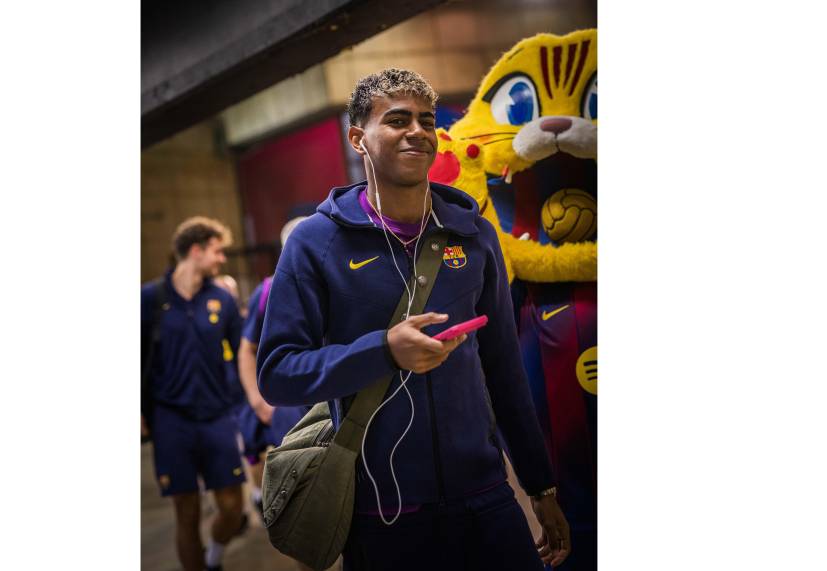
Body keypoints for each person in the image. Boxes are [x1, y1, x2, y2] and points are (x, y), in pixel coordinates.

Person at [256, 69, 572, 570]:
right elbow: (278, 372)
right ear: (358, 138)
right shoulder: (316, 243)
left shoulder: (473, 235)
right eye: (397, 120)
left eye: (426, 120)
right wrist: (383, 351)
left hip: (486, 496)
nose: (417, 132)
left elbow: (504, 370)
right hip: (383, 512)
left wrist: (540, 484)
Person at [142, 216, 246, 571]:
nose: (222, 259)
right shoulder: (149, 299)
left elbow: (244, 352)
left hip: (217, 415)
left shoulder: (222, 299)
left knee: (232, 507)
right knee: (186, 511)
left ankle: (213, 557)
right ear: (196, 250)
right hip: (170, 419)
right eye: (217, 251)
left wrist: (253, 400)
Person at [236, 217, 311, 513]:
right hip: (287, 403)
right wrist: (258, 402)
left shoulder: (336, 281)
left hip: (325, 397)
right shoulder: (268, 290)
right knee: (296, 495)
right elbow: (247, 350)